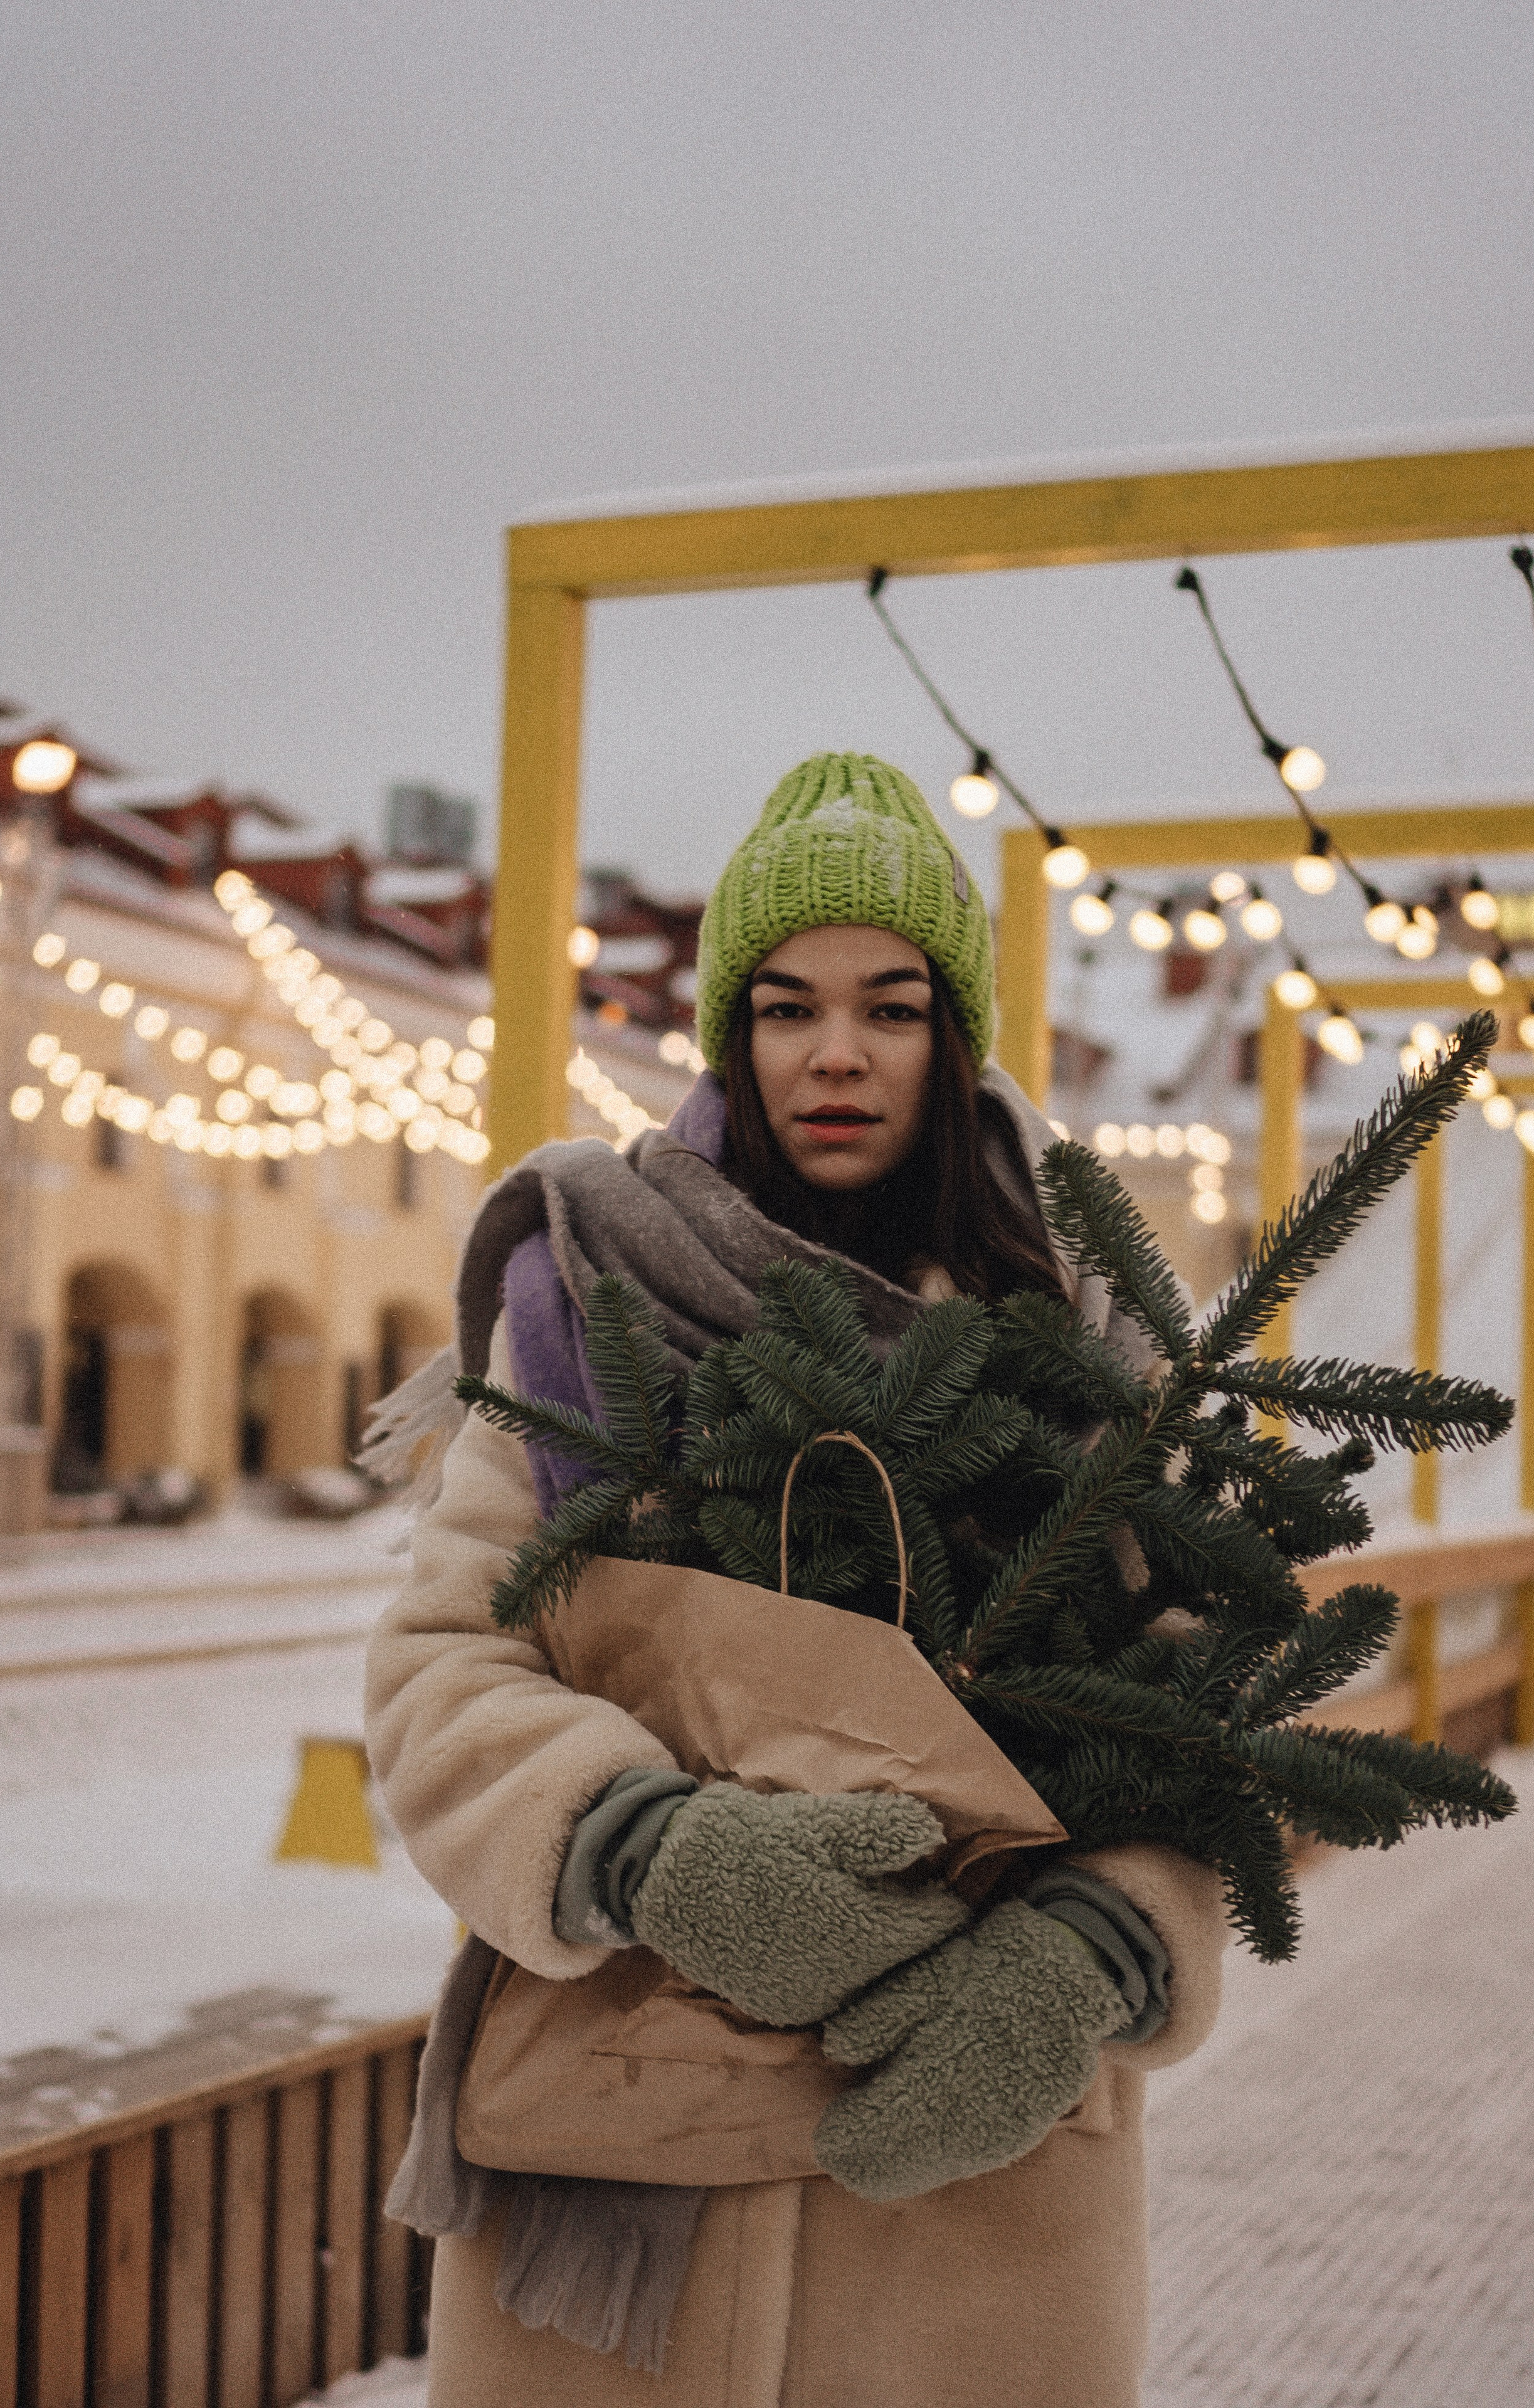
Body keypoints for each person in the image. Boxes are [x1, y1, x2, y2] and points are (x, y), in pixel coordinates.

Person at [363, 752, 1226, 2408]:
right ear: (732, 1033)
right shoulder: (587, 1301)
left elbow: (1203, 1725)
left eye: (892, 1006)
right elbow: (440, 1669)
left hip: (974, 2207)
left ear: (951, 1032)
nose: (834, 1052)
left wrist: (1089, 1963)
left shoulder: (1092, 1333)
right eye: (784, 1005)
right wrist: (648, 1847)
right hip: (622, 2184)